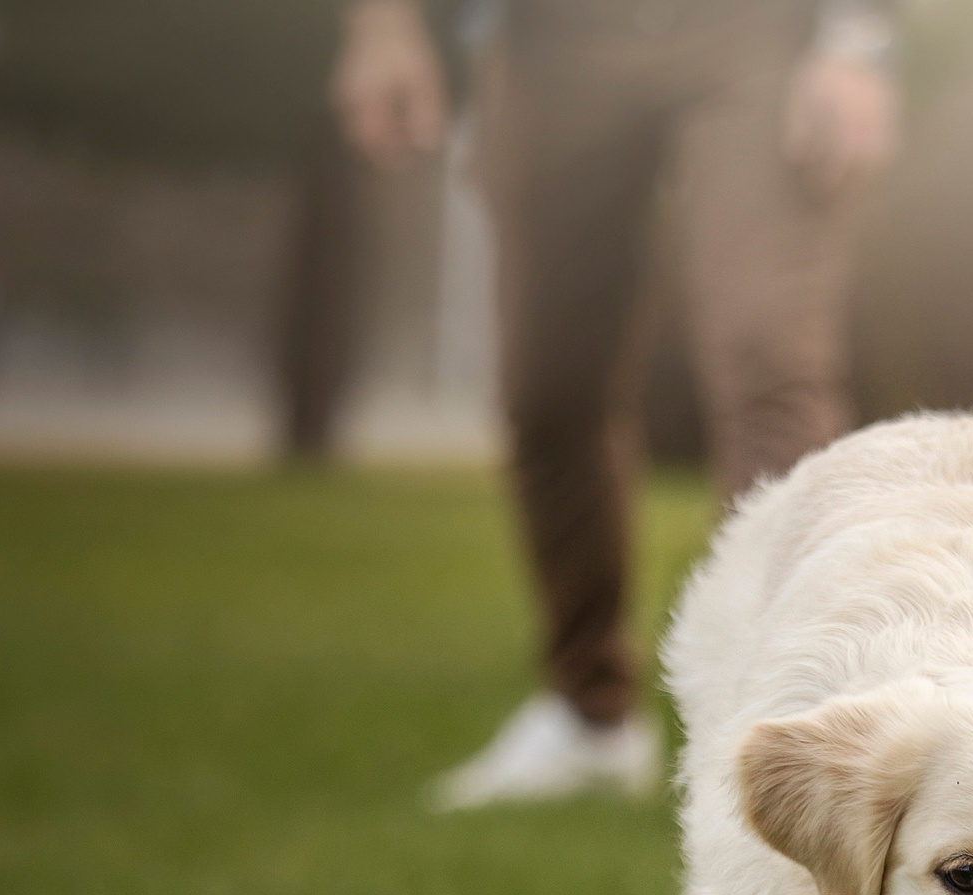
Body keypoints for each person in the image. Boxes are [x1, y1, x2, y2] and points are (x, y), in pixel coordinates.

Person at [330, 0, 900, 806]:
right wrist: (381, 26)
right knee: (548, 385)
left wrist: (857, 40)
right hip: (548, 41)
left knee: (765, 354)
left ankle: (793, 727)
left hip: (759, 33)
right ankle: (587, 715)